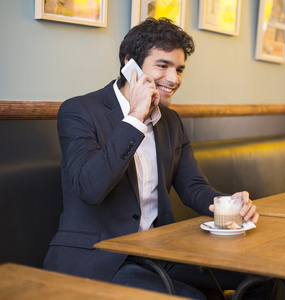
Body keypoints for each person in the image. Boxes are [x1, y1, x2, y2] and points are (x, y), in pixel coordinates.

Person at [43, 18, 266, 299]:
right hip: (99, 256)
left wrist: (231, 206)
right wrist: (135, 117)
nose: (174, 79)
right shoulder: (79, 111)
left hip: (156, 251)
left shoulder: (170, 121)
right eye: (163, 66)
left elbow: (194, 188)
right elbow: (91, 188)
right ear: (130, 65)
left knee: (262, 274)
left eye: (179, 69)